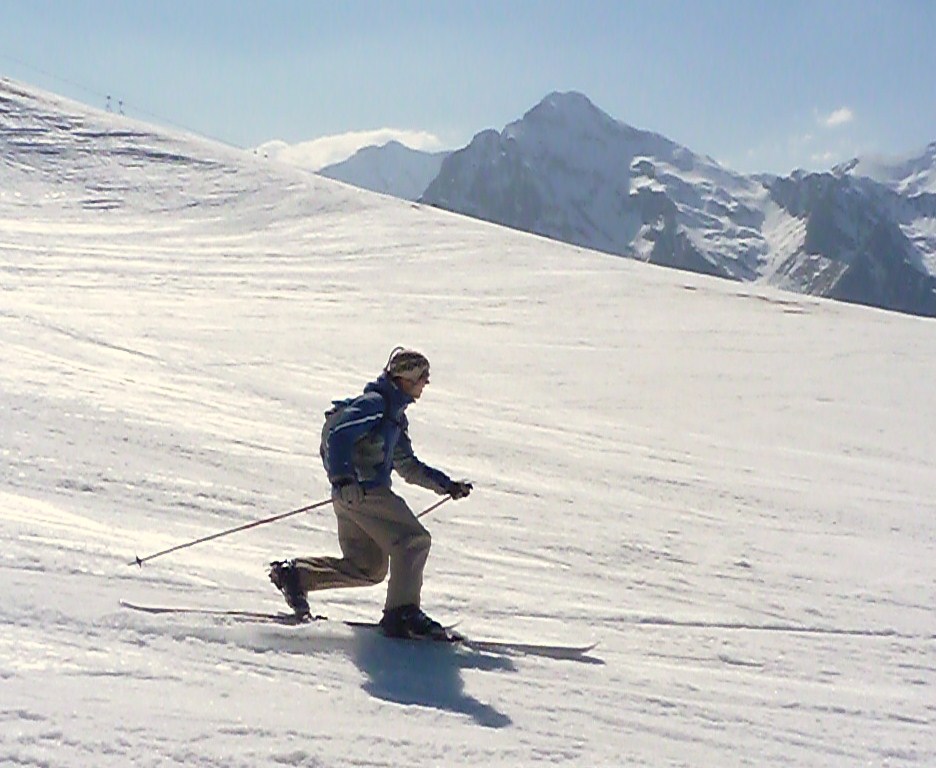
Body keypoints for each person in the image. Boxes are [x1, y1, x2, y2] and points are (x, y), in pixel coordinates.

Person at [269, 347, 472, 639]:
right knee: (412, 541)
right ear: (405, 377)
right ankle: (402, 614)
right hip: (363, 492)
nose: (425, 382)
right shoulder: (375, 405)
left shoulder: (393, 415)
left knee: (369, 567)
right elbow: (339, 435)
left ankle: (297, 575)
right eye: (422, 376)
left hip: (352, 495)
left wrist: (446, 485)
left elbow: (407, 465)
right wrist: (343, 478)